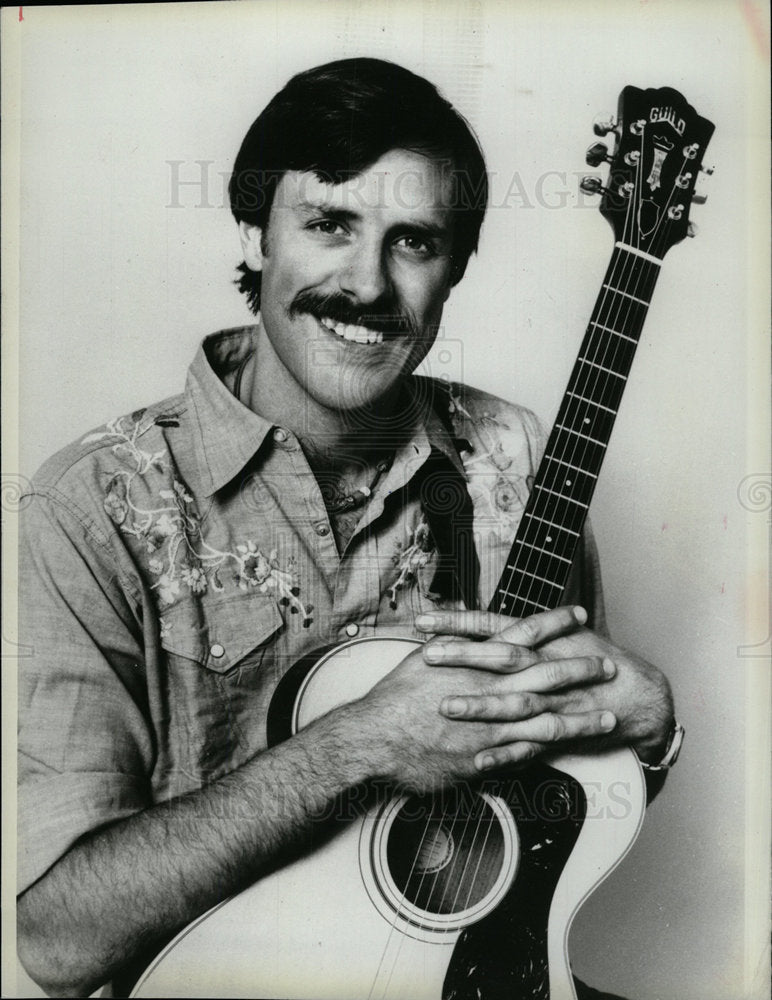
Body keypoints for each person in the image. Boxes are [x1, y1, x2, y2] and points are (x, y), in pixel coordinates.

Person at [17, 58, 679, 999]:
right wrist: (363, 744)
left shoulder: (514, 462)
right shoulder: (93, 508)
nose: (367, 285)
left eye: (414, 241)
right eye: (329, 223)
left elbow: (554, 808)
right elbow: (52, 942)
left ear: (455, 269)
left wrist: (642, 727)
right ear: (255, 233)